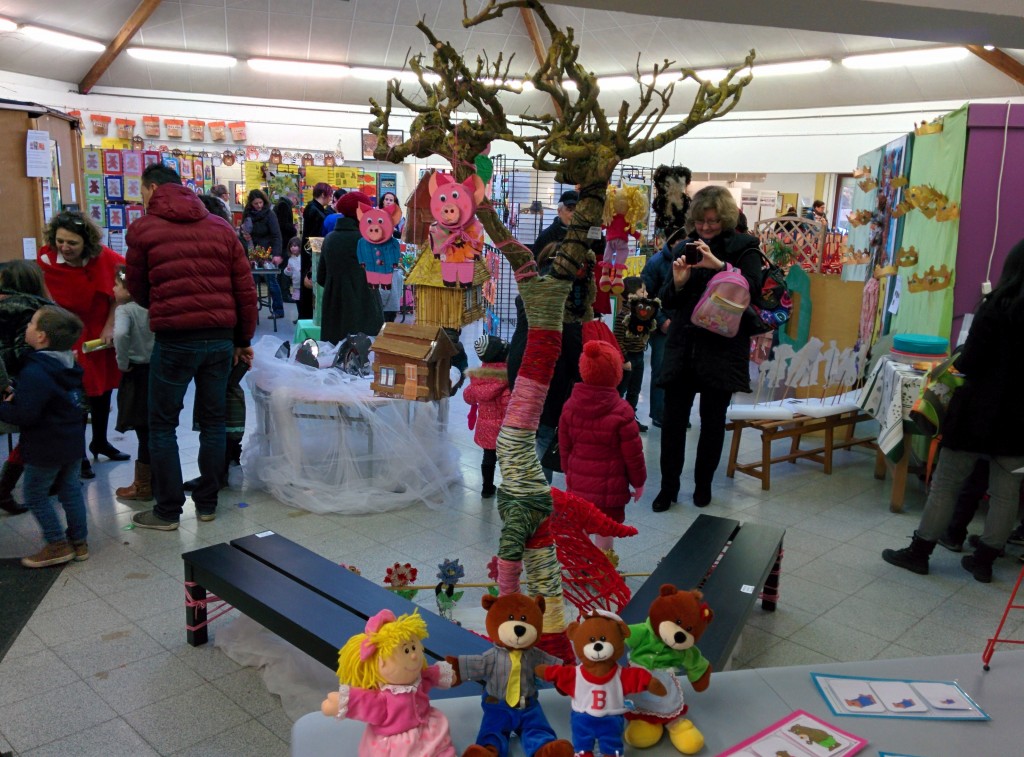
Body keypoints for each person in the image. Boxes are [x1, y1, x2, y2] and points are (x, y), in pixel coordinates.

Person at [882, 237, 1024, 583]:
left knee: (946, 483)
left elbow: (971, 361)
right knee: (1007, 493)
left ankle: (920, 552)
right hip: (1019, 419)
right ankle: (985, 561)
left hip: (976, 412)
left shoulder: (994, 307)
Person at [125, 162, 257, 531]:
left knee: (163, 425)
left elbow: (137, 288)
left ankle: (167, 511)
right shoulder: (220, 228)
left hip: (174, 340)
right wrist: (243, 340)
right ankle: (208, 504)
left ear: (151, 189)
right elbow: (244, 291)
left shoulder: (144, 229)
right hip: (218, 339)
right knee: (213, 422)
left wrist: (167, 305)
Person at [652, 186, 763, 511]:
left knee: (712, 423)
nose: (706, 227)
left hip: (722, 350)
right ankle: (668, 488)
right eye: (700, 220)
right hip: (684, 346)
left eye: (713, 220)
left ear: (725, 218)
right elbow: (669, 299)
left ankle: (703, 486)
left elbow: (753, 292)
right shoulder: (685, 247)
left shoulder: (745, 248)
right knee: (673, 423)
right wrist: (679, 281)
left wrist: (720, 267)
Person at [37, 210, 127, 480]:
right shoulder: (45, 261)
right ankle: (78, 455)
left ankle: (100, 441)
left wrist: (110, 325)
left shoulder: (105, 258)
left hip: (98, 333)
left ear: (85, 242)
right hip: (65, 334)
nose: (65, 247)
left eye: (72, 243)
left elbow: (120, 290)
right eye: (60, 241)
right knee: (75, 396)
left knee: (102, 391)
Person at [0, 306, 88, 567]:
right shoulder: (68, 364)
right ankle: (80, 542)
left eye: (31, 324)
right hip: (72, 441)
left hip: (44, 446)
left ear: (41, 337)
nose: (26, 326)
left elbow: (26, 415)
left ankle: (56, 544)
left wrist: (4, 406)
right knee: (70, 491)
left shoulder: (35, 371)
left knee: (35, 494)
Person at [558, 340, 646, 565]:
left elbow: (564, 444)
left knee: (582, 525)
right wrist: (639, 482)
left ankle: (581, 565)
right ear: (616, 373)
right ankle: (602, 569)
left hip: (578, 485)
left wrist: (569, 471)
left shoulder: (569, 405)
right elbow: (633, 454)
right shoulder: (622, 411)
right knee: (604, 530)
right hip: (610, 489)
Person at [507, 243, 583, 484]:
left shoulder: (527, 294)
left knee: (528, 433)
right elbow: (572, 348)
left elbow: (519, 339)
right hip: (550, 376)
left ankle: (524, 489)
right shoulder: (564, 300)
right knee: (544, 434)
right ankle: (537, 495)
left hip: (522, 370)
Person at [0, 261, 54, 515]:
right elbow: (26, 351)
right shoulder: (34, 310)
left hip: (7, 381)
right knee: (33, 435)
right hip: (22, 381)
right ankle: (4, 488)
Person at [316, 191, 383, 344]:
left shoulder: (329, 239)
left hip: (334, 312)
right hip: (365, 310)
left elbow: (321, 278)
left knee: (334, 360)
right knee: (364, 359)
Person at [111, 267, 154, 502]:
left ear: (128, 290)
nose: (113, 289)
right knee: (158, 429)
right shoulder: (154, 307)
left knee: (143, 429)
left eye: (116, 285)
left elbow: (120, 335)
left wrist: (122, 361)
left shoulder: (125, 310)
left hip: (136, 372)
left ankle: (143, 485)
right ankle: (161, 479)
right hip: (158, 371)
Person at [464, 335, 511, 499]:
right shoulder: (507, 378)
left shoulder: (478, 378)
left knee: (488, 457)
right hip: (504, 428)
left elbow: (468, 397)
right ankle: (508, 489)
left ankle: (487, 488)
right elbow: (509, 404)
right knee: (507, 458)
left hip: (485, 426)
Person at [613, 276, 660, 431]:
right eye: (643, 291)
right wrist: (625, 359)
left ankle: (630, 417)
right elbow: (617, 339)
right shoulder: (624, 315)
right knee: (621, 390)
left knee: (635, 390)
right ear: (632, 294)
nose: (646, 294)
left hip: (639, 356)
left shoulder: (642, 314)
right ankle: (616, 419)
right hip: (628, 359)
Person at [241, 188, 284, 319]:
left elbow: (277, 235)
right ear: (251, 204)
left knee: (272, 282)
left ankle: (278, 310)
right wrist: (243, 236)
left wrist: (276, 254)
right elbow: (243, 233)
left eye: (260, 203)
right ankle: (251, 311)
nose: (259, 206)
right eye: (256, 203)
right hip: (252, 251)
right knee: (251, 283)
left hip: (268, 252)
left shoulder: (270, 214)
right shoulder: (247, 215)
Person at [299, 182, 335, 319]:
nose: (331, 198)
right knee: (309, 286)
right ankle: (307, 316)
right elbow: (314, 237)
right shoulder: (315, 211)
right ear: (323, 194)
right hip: (312, 254)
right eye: (329, 195)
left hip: (309, 252)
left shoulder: (314, 208)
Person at [531, 189, 578, 256]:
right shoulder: (546, 237)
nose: (574, 214)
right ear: (559, 211)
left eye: (577, 210)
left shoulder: (584, 235)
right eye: (570, 210)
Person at [283, 236, 303, 302]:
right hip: (296, 284)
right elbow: (289, 273)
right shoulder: (290, 260)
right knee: (297, 300)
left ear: (300, 247)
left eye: (295, 246)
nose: (293, 248)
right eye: (291, 246)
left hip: (304, 284)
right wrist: (287, 270)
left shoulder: (303, 258)